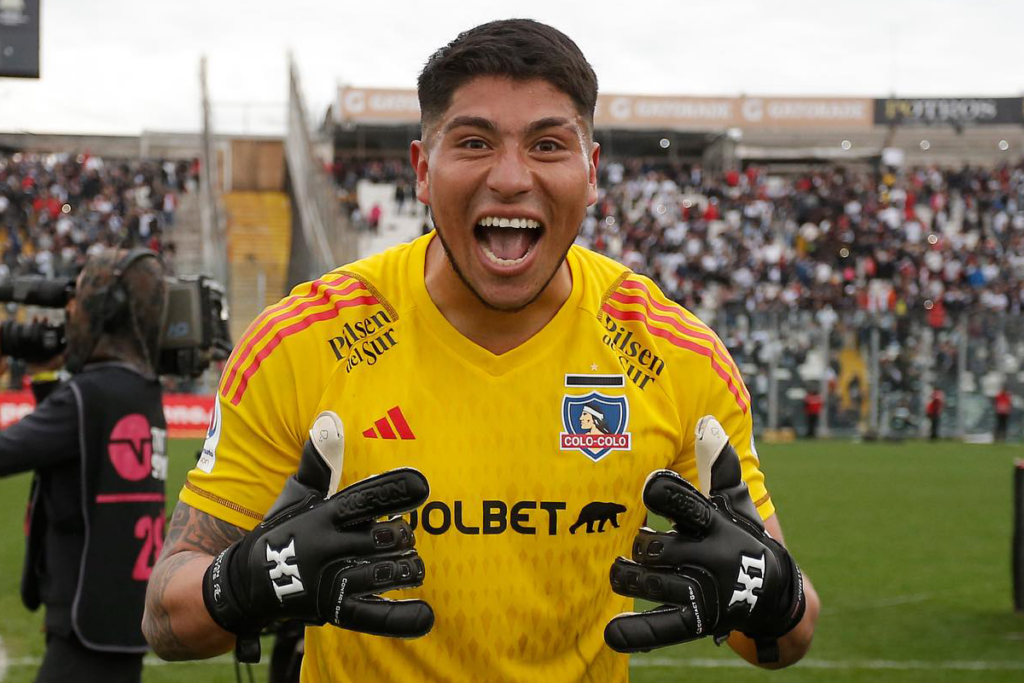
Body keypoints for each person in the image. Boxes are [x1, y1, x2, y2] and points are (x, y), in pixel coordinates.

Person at [144, 19, 819, 681]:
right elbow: (166, 616)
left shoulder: (677, 356)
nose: (509, 177)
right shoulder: (300, 340)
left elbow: (789, 633)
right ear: (422, 170)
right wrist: (249, 580)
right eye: (473, 142)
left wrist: (772, 594)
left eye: (548, 145)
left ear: (591, 173)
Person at [0, 248, 169, 683]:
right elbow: (73, 459)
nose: (69, 315)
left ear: (104, 312)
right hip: (119, 621)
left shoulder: (87, 396)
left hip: (85, 633)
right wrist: (43, 379)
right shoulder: (139, 391)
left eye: (77, 302)